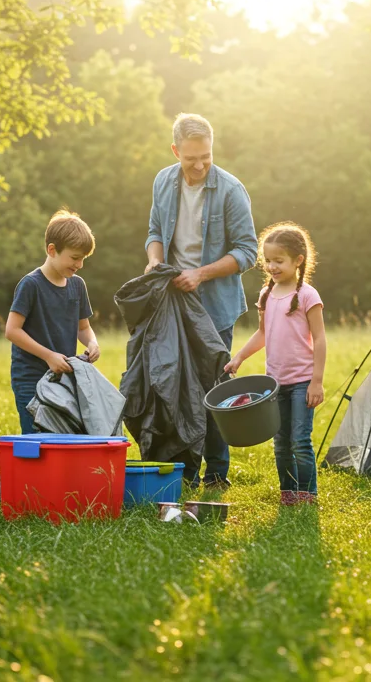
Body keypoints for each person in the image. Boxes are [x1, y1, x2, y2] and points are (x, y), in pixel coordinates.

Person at [145, 113, 258, 487]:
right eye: (191, 157)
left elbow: (247, 252)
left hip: (214, 306)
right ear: (175, 150)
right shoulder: (163, 181)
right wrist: (155, 263)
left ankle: (216, 473)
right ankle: (184, 471)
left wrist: (200, 273)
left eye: (205, 156)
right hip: (172, 304)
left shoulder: (230, 189)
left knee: (212, 390)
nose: (199, 165)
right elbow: (154, 233)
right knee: (175, 386)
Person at [225, 223, 327, 505]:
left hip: (303, 382)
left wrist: (316, 381)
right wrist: (239, 357)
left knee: (300, 442)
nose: (271, 266)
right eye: (267, 261)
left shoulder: (308, 296)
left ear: (298, 260)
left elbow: (319, 339)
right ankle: (289, 494)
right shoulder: (266, 295)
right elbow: (263, 334)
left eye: (278, 261)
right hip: (275, 384)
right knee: (281, 444)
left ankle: (308, 495)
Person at [5, 210, 101, 434]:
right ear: (52, 250)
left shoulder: (78, 285)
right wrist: (48, 356)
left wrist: (92, 343)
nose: (79, 265)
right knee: (39, 439)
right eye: (75, 258)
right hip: (30, 379)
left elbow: (83, 328)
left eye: (83, 259)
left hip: (63, 378)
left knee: (63, 439)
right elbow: (12, 330)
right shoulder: (31, 285)